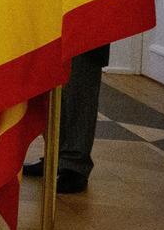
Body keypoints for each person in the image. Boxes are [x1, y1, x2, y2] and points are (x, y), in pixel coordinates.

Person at [21, 46, 108, 195]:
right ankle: (55, 157)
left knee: (79, 86)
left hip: (84, 31)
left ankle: (74, 165)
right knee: (49, 84)